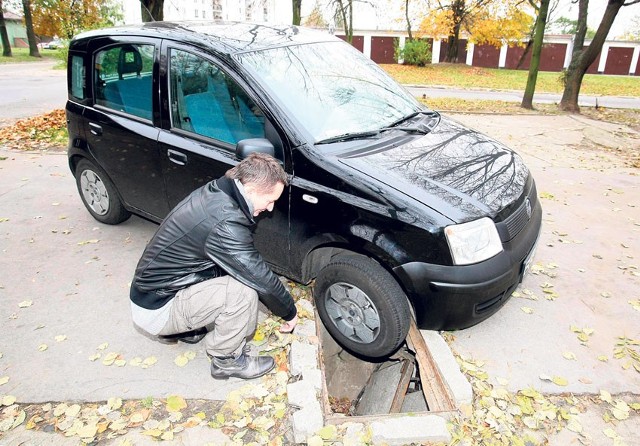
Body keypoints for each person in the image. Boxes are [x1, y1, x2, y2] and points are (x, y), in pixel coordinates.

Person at [130, 152, 298, 380]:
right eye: (270, 200)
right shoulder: (224, 221)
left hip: (152, 293)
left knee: (231, 269)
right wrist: (289, 312)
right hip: (158, 308)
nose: (270, 208)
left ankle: (189, 330)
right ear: (250, 190)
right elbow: (258, 276)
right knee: (243, 290)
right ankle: (226, 360)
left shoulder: (217, 192)